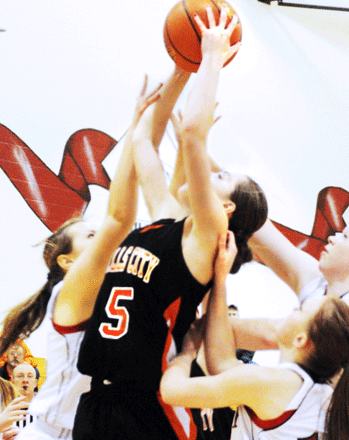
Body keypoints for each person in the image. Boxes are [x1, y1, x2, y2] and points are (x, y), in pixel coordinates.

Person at [73, 7, 268, 440]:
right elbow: (143, 140)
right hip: (97, 400)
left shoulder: (208, 233)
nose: (204, 172)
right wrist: (182, 67)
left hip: (150, 406)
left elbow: (194, 132)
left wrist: (211, 54)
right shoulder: (163, 219)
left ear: (228, 210)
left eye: (220, 177)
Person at [0, 78, 161, 440]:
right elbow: (118, 220)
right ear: (67, 263)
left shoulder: (120, 287)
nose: (100, 236)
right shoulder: (68, 294)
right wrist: (137, 130)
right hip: (51, 433)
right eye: (90, 235)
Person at [161, 231, 349, 440]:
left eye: (300, 310)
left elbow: (172, 391)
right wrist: (219, 278)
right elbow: (221, 363)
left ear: (300, 340)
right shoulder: (321, 389)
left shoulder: (270, 382)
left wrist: (186, 354)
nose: (293, 310)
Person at [231, 215, 349, 439]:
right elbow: (256, 220)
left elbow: (278, 335)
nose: (333, 237)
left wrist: (194, 327)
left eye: (346, 236)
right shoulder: (322, 285)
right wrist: (228, 195)